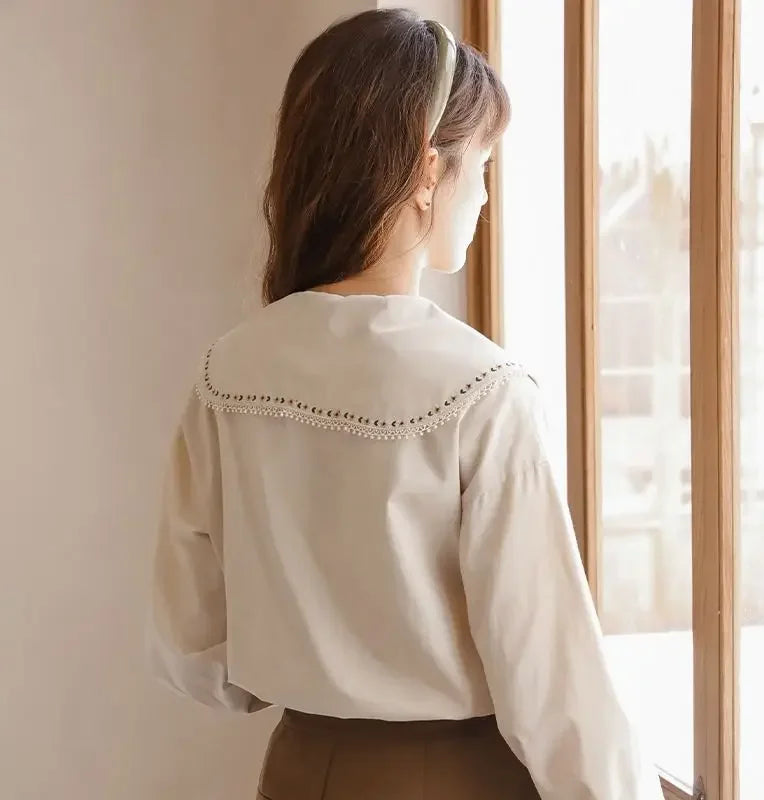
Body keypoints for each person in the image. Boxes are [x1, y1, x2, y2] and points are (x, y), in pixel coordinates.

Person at [147, 9, 663, 799]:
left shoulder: (227, 373)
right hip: (459, 779)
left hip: (296, 772)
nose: (486, 194)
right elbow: (557, 694)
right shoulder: (480, 390)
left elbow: (195, 651)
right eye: (482, 163)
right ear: (429, 169)